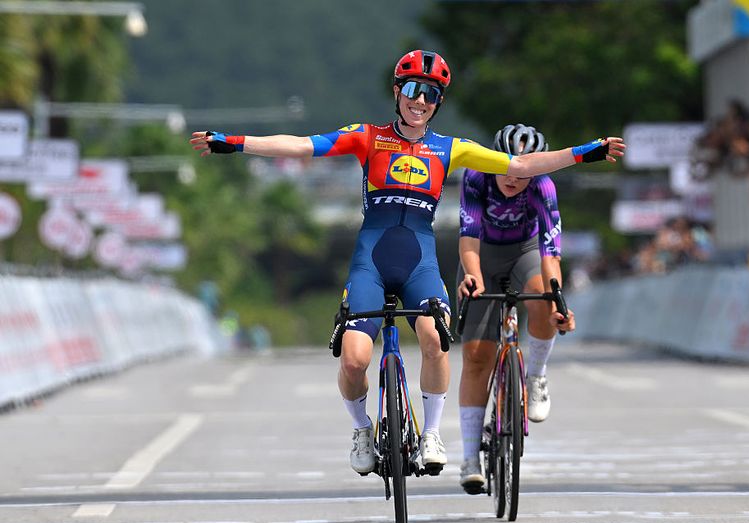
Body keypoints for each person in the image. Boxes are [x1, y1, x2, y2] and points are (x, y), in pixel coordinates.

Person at [190, 50, 625, 477]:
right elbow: (303, 147)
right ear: (397, 92)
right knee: (354, 359)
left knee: (436, 338)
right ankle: (362, 430)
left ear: (438, 104)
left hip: (420, 260)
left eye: (432, 95)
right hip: (371, 261)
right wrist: (235, 143)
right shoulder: (367, 136)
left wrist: (586, 152)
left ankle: (432, 434)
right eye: (414, 90)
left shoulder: (451, 148)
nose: (421, 101)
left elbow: (524, 163)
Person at [455, 123, 622, 493]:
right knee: (477, 357)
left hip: (526, 252)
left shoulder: (543, 186)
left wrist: (558, 300)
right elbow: (467, 239)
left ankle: (537, 375)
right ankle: (469, 457)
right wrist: (474, 276)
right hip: (480, 254)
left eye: (526, 171)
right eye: (509, 168)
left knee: (543, 298)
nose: (516, 178)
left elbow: (551, 257)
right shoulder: (476, 178)